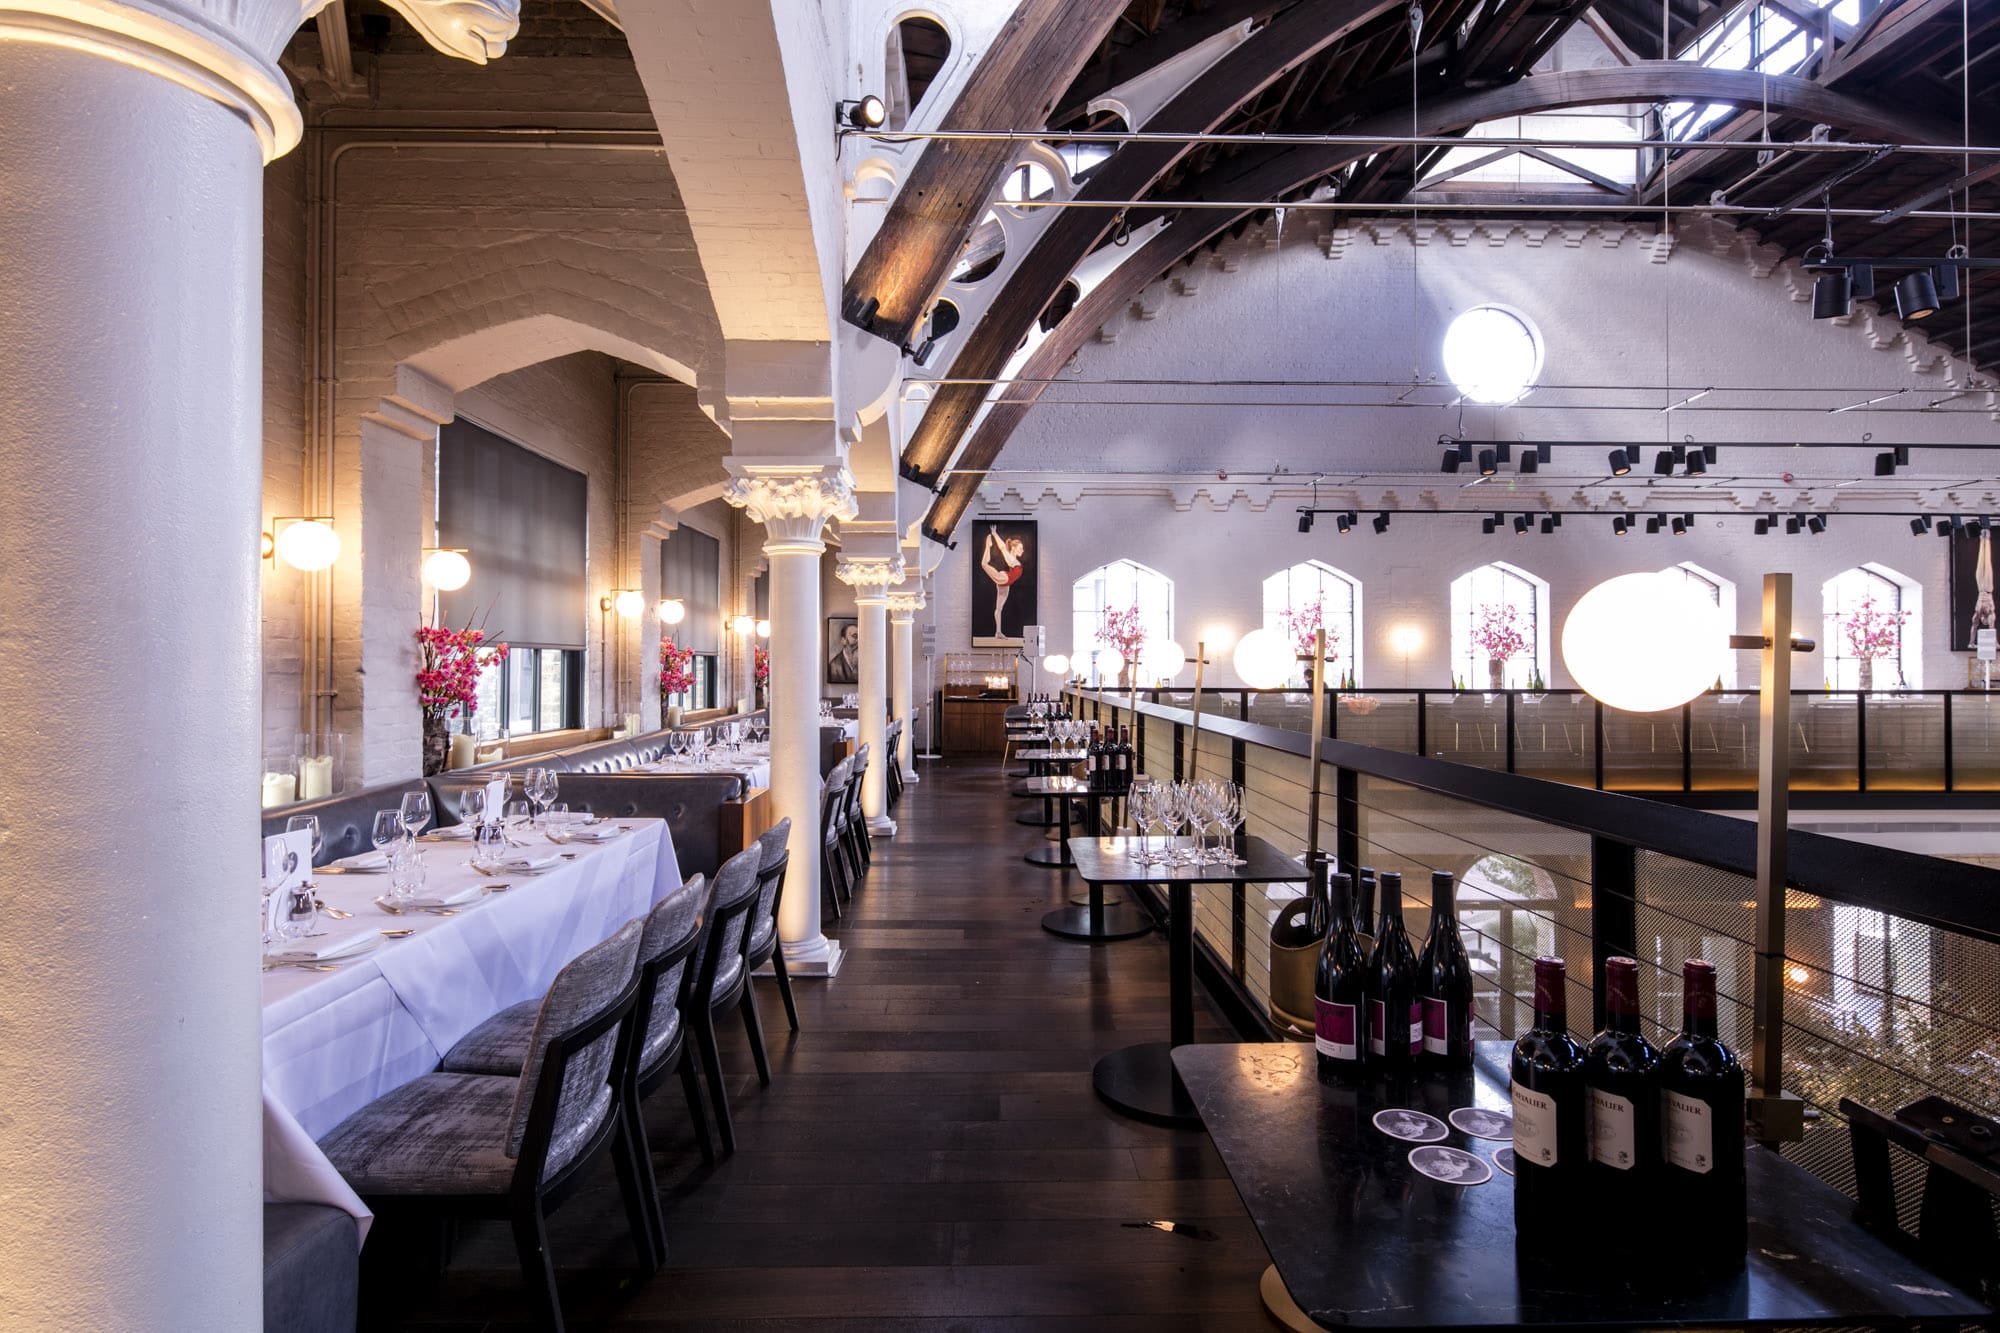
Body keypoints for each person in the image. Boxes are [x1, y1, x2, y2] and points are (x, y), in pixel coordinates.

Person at [979, 529, 1029, 639]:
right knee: (984, 564)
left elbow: (1004, 548)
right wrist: (995, 534)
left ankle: (998, 632)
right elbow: (1002, 547)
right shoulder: (1011, 558)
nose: (1023, 551)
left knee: (999, 608)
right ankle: (988, 545)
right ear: (1013, 548)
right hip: (1004, 578)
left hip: (1006, 582)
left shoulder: (1014, 559)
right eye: (1020, 548)